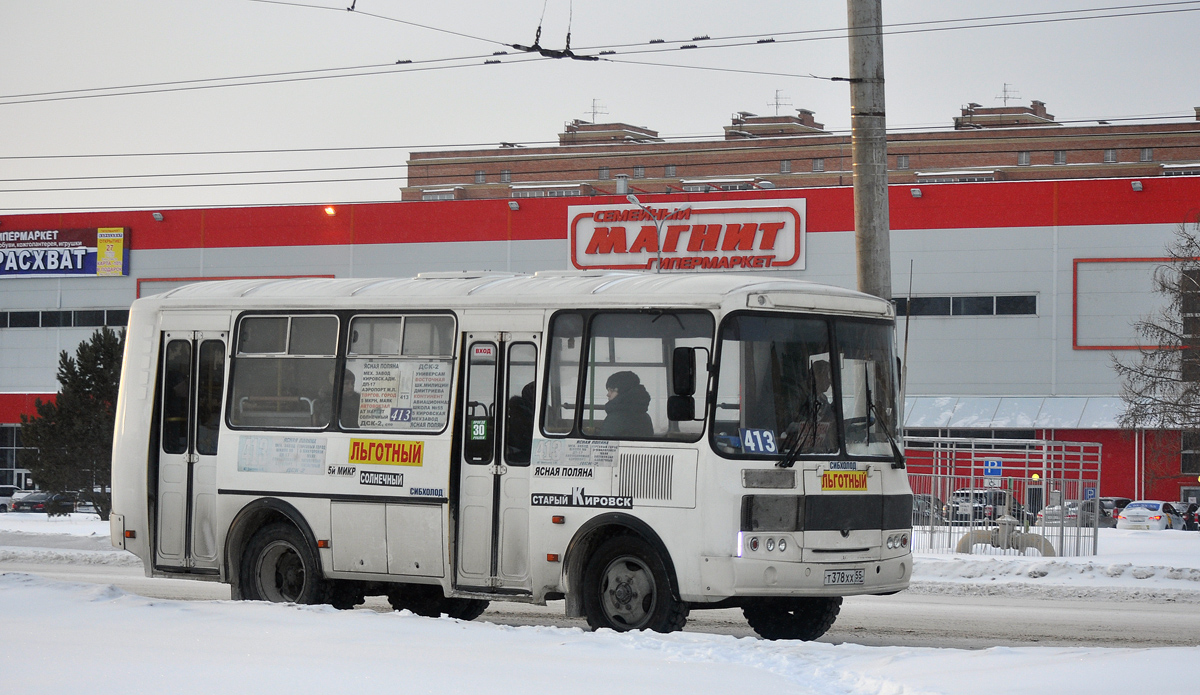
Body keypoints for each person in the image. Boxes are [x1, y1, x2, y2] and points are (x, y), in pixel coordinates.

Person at [598, 371, 654, 438]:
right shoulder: (645, 417)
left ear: (623, 392)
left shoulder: (616, 418)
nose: (608, 394)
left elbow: (606, 442)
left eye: (612, 390)